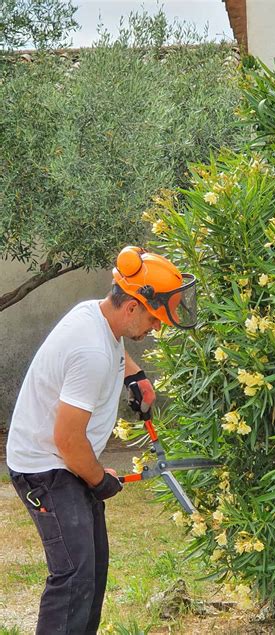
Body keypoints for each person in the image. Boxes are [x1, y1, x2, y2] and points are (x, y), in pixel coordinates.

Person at [6, 245, 197, 635]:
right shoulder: (90, 349)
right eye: (154, 319)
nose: (156, 328)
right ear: (131, 307)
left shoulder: (97, 314)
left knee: (91, 572)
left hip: (66, 460)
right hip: (45, 467)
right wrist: (98, 480)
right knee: (73, 576)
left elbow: (113, 348)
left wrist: (135, 374)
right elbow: (67, 439)